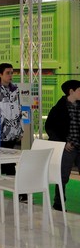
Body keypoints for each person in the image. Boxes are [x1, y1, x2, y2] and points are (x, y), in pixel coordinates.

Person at [45, 79, 80, 211]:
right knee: (62, 176)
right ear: (71, 91)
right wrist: (63, 143)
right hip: (67, 148)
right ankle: (59, 203)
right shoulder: (58, 109)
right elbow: (50, 127)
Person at [0, 63, 23, 175]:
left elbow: (18, 109)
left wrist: (20, 130)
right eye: (7, 73)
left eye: (12, 73)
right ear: (0, 74)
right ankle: (10, 183)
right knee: (5, 163)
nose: (10, 75)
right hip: (1, 132)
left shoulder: (15, 89)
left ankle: (12, 182)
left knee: (10, 161)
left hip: (13, 132)